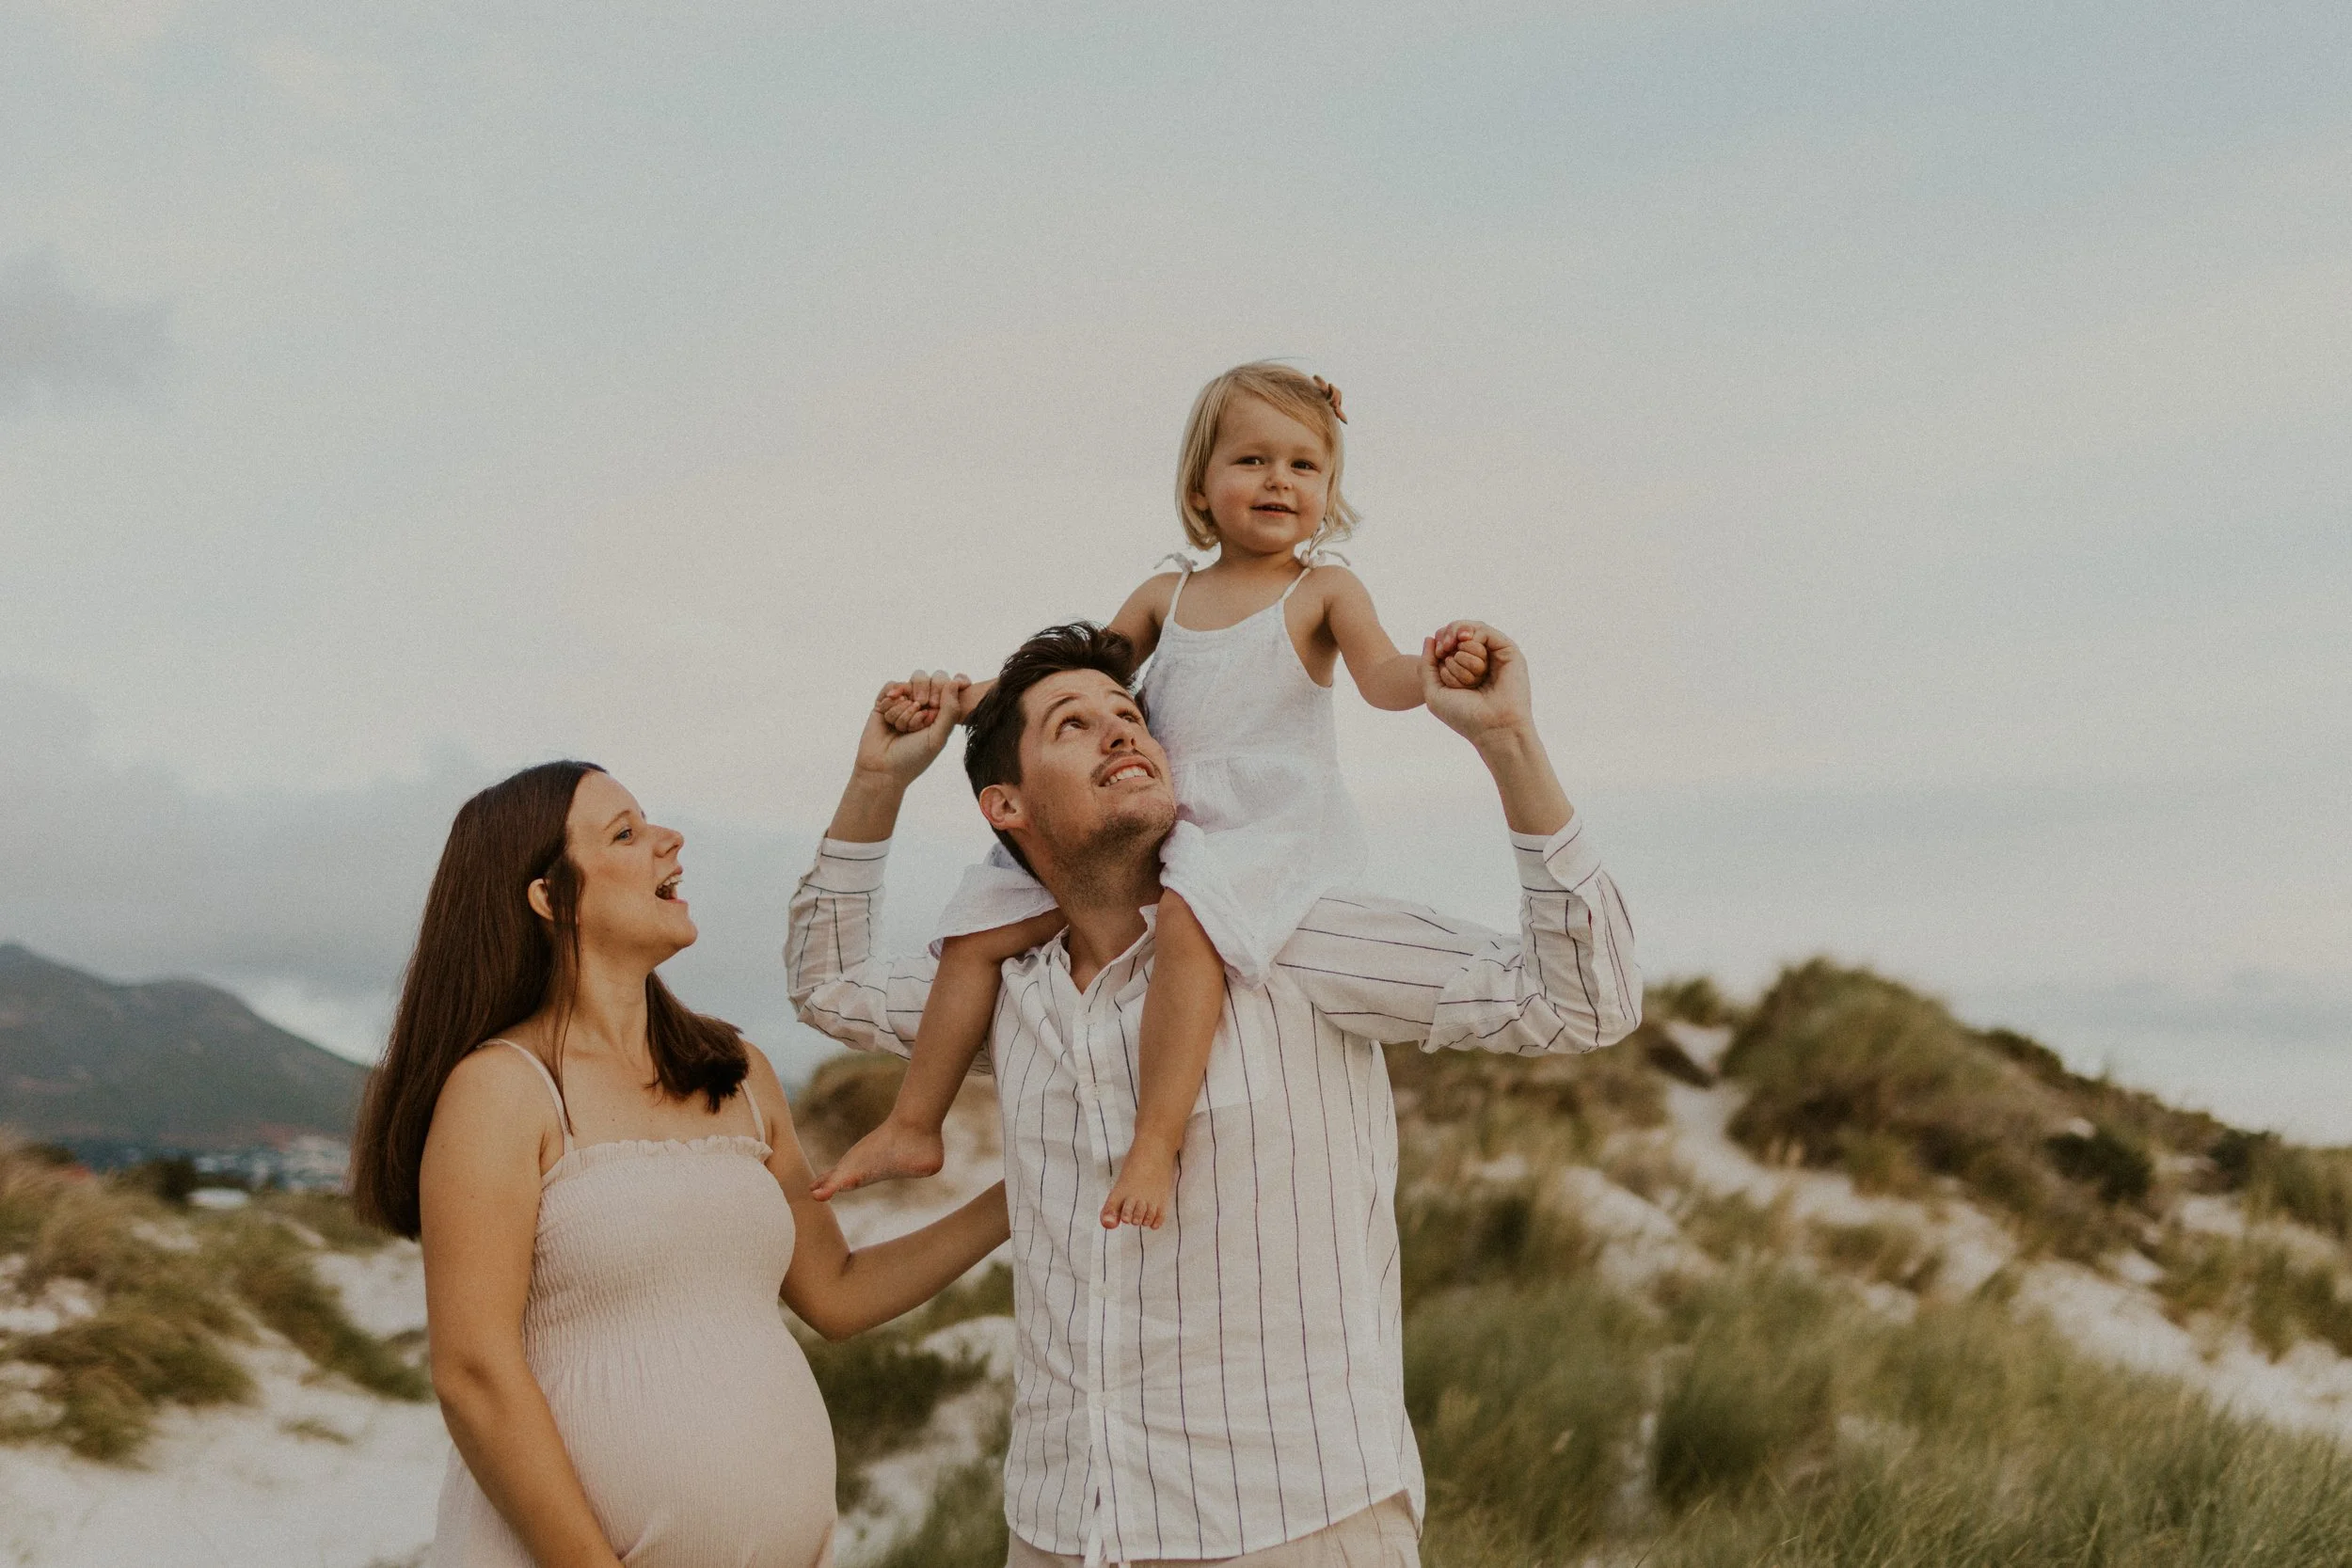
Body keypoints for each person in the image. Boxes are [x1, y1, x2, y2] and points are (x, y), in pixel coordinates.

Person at [787, 619, 1639, 1566]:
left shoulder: (1295, 938)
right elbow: (830, 987)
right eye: (1072, 723)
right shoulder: (1000, 990)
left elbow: (1584, 1001)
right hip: (1064, 1524)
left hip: (1293, 1521)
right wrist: (877, 781)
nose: (1120, 729)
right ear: (1006, 805)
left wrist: (1509, 742)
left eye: (1127, 713)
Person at [813, 362, 1494, 1231]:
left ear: (1329, 489)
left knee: (1187, 919)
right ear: (1200, 486)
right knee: (979, 925)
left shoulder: (1322, 590)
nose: (1279, 481)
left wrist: (1435, 673)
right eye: (1251, 460)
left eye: (1304, 465)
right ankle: (914, 1123)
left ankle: (1155, 1139)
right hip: (1153, 808)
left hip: (1258, 823)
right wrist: (956, 701)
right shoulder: (1164, 594)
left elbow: (1381, 676)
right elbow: (1078, 671)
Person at [351, 761, 1009, 1568]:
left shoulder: (736, 1071)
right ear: (552, 897)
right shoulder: (503, 1090)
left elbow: (838, 1290)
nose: (670, 840)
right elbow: (473, 1373)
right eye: (625, 833)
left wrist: (1019, 1197)